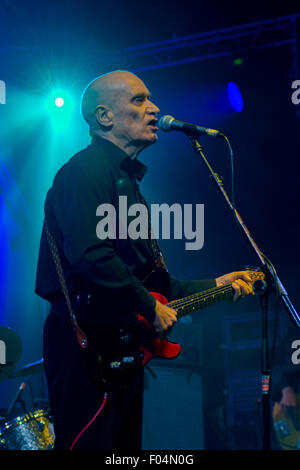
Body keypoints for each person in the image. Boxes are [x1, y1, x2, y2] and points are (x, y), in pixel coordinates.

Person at [35, 70, 254, 450]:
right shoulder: (84, 171)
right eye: (139, 100)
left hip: (121, 350)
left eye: (150, 98)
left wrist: (217, 286)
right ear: (104, 117)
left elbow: (154, 284)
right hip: (86, 347)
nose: (154, 108)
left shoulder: (129, 187)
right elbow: (90, 255)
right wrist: (146, 304)